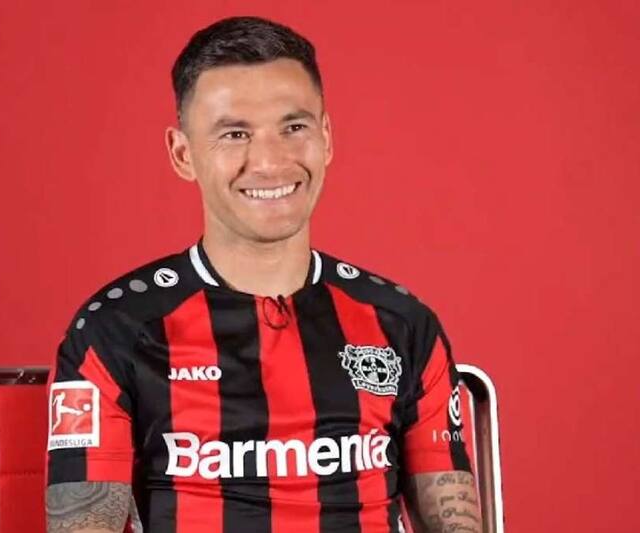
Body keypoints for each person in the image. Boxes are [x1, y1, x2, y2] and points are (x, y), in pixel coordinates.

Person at [45, 15, 483, 533]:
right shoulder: (114, 329)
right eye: (235, 134)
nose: (271, 163)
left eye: (294, 128)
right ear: (183, 154)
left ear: (326, 138)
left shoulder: (402, 324)